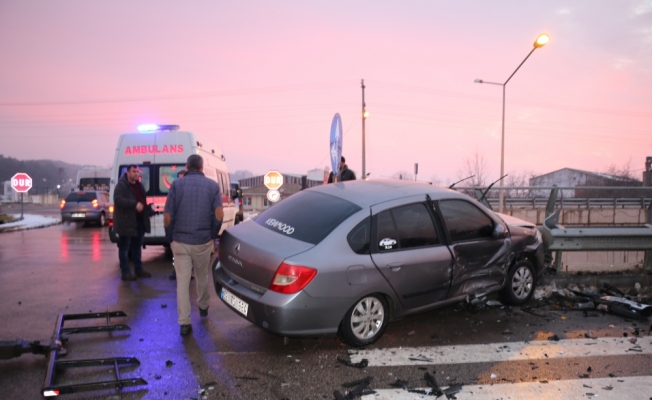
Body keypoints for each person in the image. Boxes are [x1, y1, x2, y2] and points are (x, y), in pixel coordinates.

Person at [164, 154, 223, 336]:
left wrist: (170, 237)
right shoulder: (213, 186)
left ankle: (184, 322)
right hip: (202, 241)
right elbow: (218, 214)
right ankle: (203, 306)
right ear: (202, 168)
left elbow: (168, 215)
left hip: (180, 242)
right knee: (202, 276)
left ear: (187, 168)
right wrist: (212, 235)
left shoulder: (176, 185)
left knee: (182, 282)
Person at [113, 164, 152, 281]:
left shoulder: (139, 185)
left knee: (137, 247)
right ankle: (125, 272)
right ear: (127, 173)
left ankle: (138, 270)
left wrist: (148, 209)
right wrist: (134, 204)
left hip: (139, 222)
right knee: (124, 248)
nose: (136, 173)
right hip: (126, 222)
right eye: (133, 171)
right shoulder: (122, 185)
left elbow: (143, 201)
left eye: (137, 171)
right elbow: (118, 200)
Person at [168, 169, 185, 281]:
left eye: (183, 177)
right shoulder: (174, 190)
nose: (180, 179)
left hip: (187, 227)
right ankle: (176, 270)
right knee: (176, 253)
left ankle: (189, 272)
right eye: (179, 177)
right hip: (177, 227)